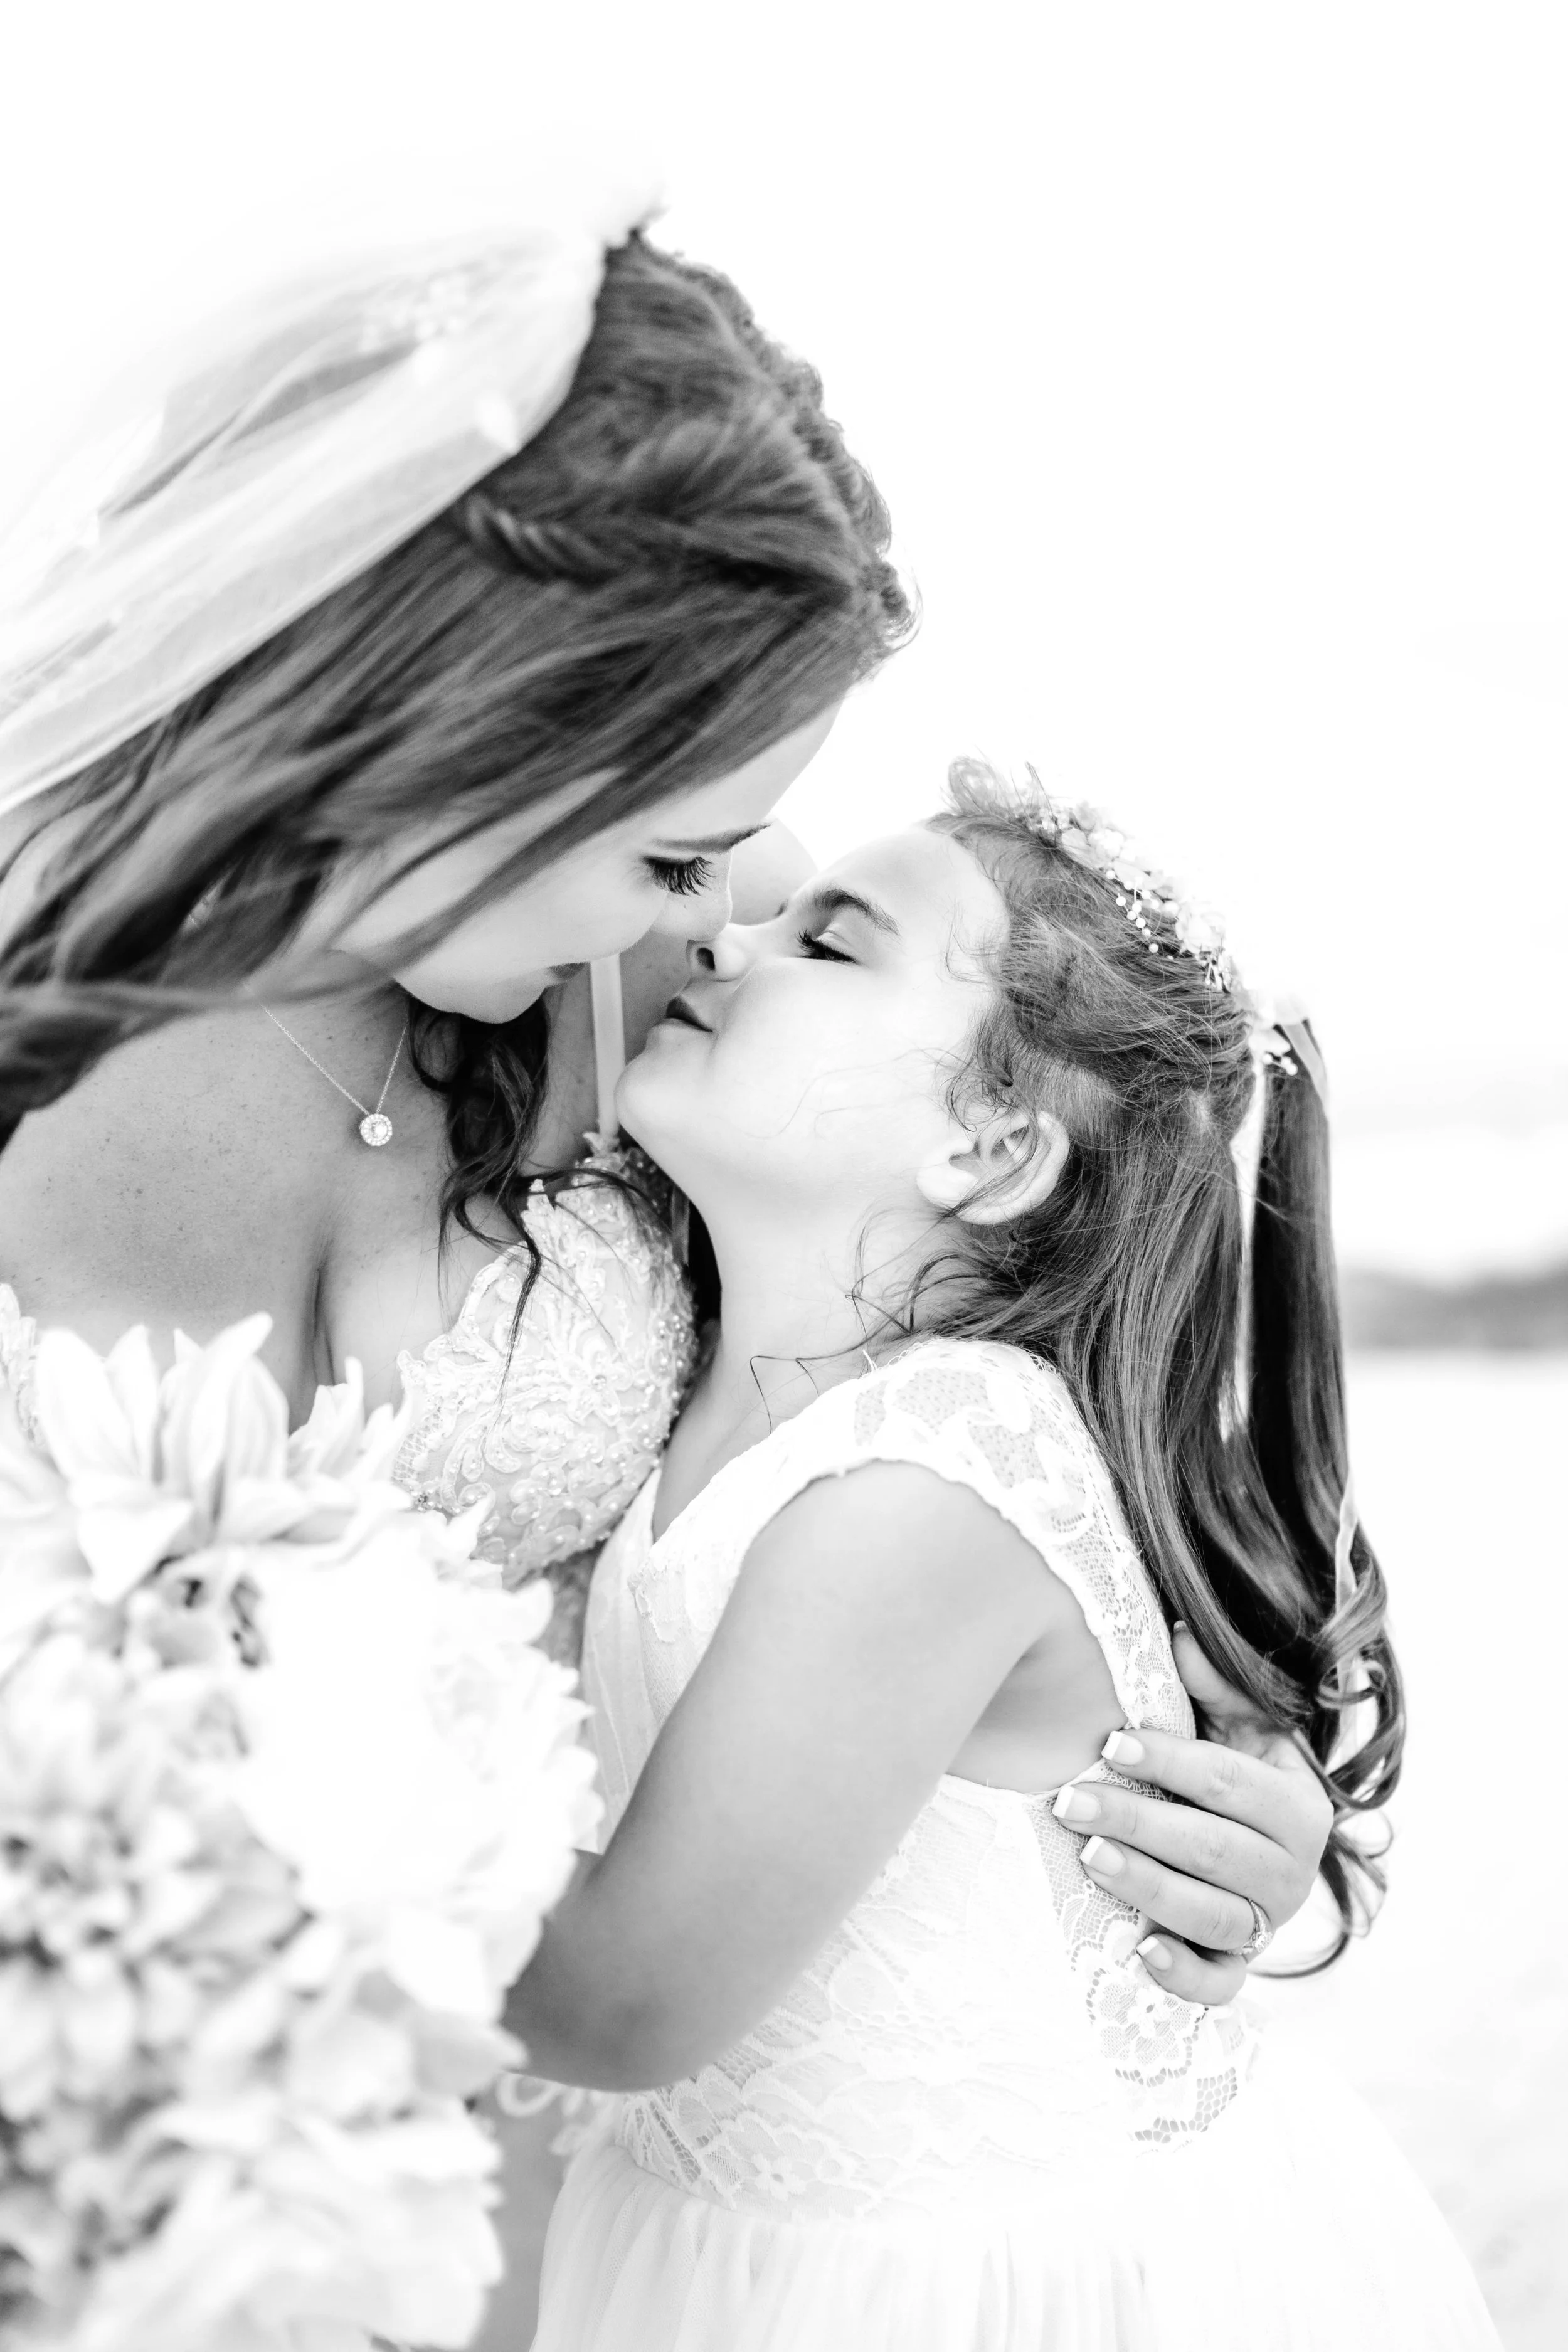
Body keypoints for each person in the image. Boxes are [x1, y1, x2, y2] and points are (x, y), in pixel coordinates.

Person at [506, 766, 1500, 2350]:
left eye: (826, 946)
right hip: (758, 2236)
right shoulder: (760, 1395)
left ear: (987, 1153)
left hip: (969, 2286)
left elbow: (619, 2008)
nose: (719, 945)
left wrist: (212, 1823)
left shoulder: (915, 1489)